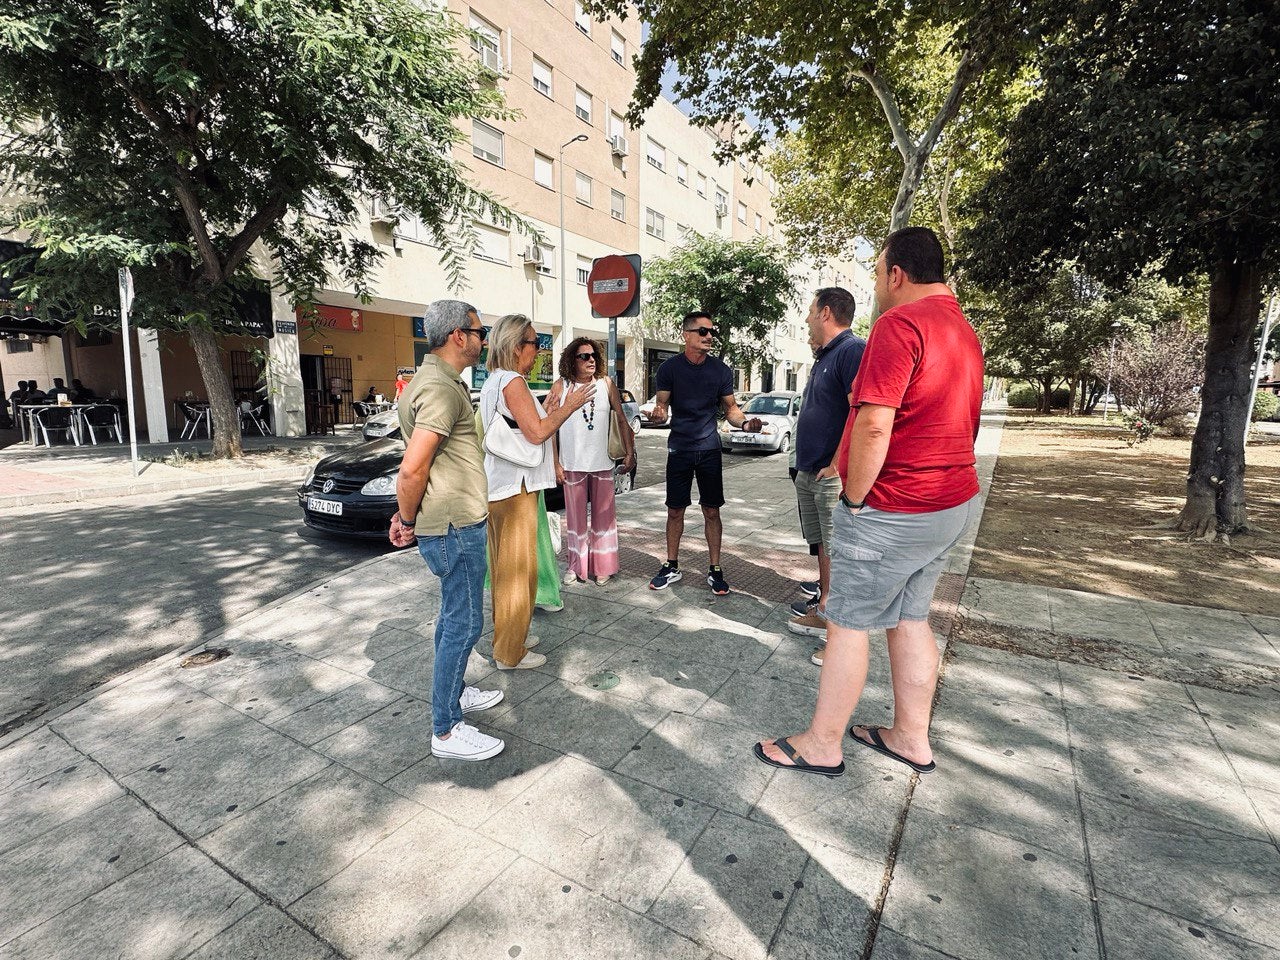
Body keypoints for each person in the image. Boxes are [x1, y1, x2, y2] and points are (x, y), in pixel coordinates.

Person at [755, 227, 984, 778]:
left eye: (878, 273)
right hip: (948, 502)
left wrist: (855, 498)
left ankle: (821, 744)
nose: (876, 285)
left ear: (897, 275)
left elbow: (876, 421)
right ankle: (909, 736)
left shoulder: (899, 324)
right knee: (909, 619)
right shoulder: (964, 329)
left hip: (893, 506)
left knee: (849, 622)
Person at [389, 299, 506, 762]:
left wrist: (408, 518)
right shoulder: (438, 389)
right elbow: (412, 470)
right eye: (481, 331)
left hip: (454, 521)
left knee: (454, 617)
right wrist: (407, 519)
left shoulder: (434, 381)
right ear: (459, 335)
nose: (484, 339)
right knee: (465, 623)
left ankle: (454, 693)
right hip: (453, 525)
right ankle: (446, 728)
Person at [480, 314, 595, 669]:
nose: (539, 350)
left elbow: (524, 425)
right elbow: (537, 433)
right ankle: (510, 653)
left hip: (502, 486)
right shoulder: (512, 381)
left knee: (504, 569)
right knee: (518, 571)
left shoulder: (494, 381)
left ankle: (510, 635)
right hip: (517, 488)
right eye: (535, 343)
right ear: (517, 347)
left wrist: (549, 410)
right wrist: (570, 408)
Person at [647, 312, 761, 595]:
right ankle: (672, 565)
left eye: (711, 332)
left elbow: (731, 410)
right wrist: (659, 415)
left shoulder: (720, 371)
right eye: (703, 331)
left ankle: (715, 569)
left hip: (709, 449)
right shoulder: (669, 369)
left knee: (712, 510)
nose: (709, 336)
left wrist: (745, 423)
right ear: (686, 334)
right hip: (679, 448)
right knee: (675, 510)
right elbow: (662, 406)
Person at [787, 288, 866, 640]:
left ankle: (837, 627)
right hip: (810, 469)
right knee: (821, 544)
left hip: (829, 473)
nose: (806, 318)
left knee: (836, 547)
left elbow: (860, 412)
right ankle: (825, 608)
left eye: (809, 310)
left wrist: (836, 463)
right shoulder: (826, 354)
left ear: (826, 313)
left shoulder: (852, 350)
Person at [551, 337, 636, 586]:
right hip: (573, 463)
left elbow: (621, 419)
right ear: (571, 360)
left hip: (602, 461)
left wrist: (629, 452)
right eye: (584, 356)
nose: (591, 360)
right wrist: (555, 462)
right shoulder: (561, 386)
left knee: (604, 517)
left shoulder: (606, 384)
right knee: (575, 520)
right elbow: (551, 428)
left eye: (593, 356)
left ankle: (603, 566)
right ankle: (576, 566)